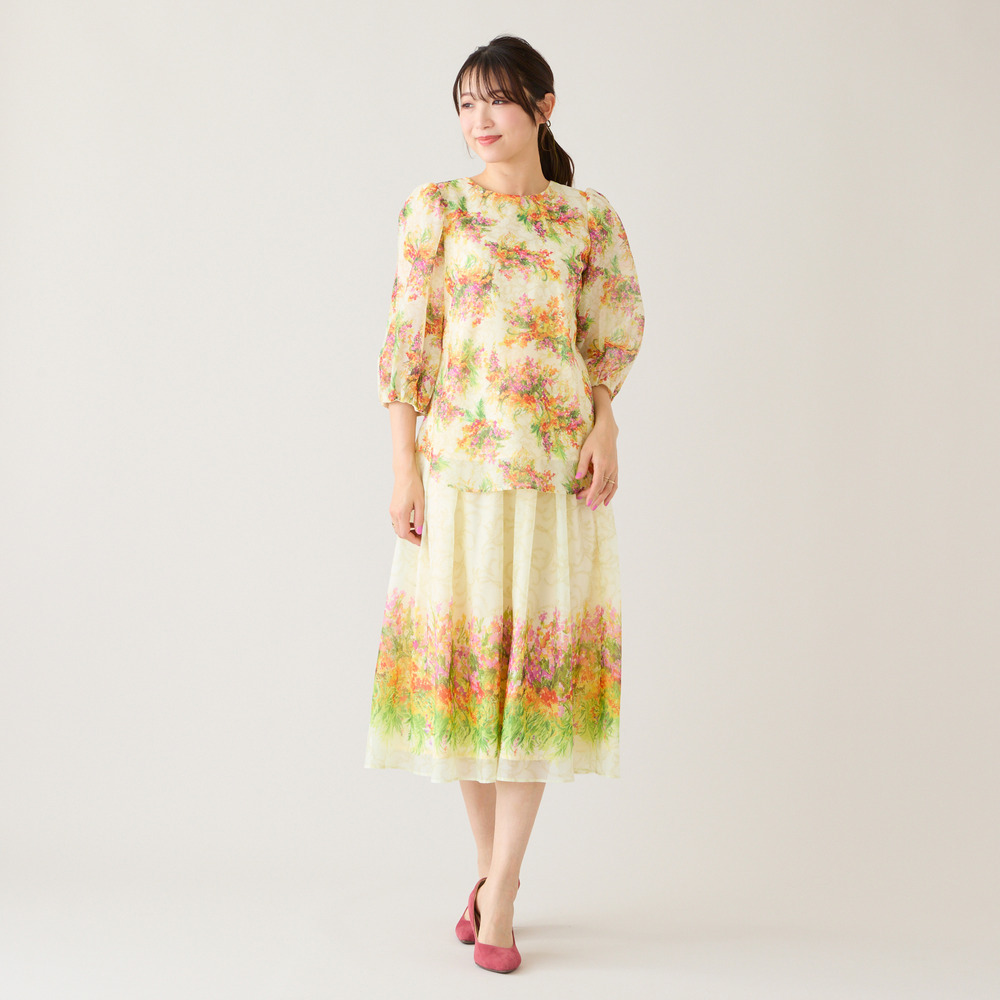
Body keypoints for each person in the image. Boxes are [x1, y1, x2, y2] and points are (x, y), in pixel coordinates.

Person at [363, 34, 644, 973]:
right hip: (459, 478)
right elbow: (408, 343)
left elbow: (606, 336)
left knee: (533, 685)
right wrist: (402, 468)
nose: (479, 120)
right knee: (471, 682)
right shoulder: (437, 211)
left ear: (543, 107)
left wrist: (606, 423)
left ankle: (504, 889)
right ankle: (490, 875)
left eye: (497, 101)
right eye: (465, 104)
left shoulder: (586, 220)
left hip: (555, 479)